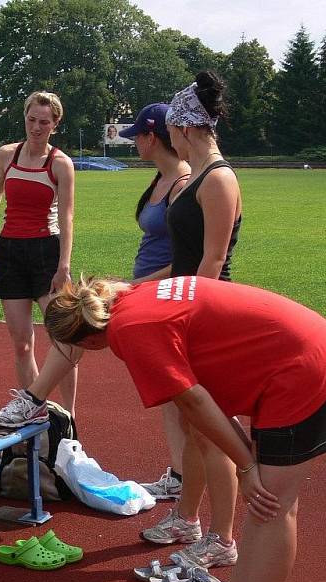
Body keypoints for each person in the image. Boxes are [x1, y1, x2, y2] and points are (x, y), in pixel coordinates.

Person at [38, 275, 326, 582]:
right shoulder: (131, 298)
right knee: (266, 503)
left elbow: (195, 401)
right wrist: (247, 461)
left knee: (272, 506)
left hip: (302, 368)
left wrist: (246, 467)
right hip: (300, 351)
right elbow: (201, 410)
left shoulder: (129, 330)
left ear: (87, 341)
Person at [133, 71, 245, 569]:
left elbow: (212, 263)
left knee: (212, 431)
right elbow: (184, 258)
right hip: (184, 306)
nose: (168, 135)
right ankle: (188, 517)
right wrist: (137, 286)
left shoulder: (218, 179)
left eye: (172, 127)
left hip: (205, 316)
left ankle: (221, 538)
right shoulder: (195, 179)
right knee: (194, 427)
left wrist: (187, 318)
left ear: (186, 128)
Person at [0, 90, 78, 420]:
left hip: (46, 251)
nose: (36, 127)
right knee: (22, 343)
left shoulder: (60, 164)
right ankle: (37, 413)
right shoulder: (7, 155)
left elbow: (67, 216)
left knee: (63, 339)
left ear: (55, 124)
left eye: (44, 122)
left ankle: (69, 416)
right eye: (31, 120)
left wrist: (63, 265)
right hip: (10, 252)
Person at [119, 103, 191, 500]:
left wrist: (137, 286)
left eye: (137, 137)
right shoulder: (161, 178)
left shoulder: (182, 184)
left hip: (163, 294)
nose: (134, 144)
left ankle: (190, 478)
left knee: (184, 392)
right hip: (149, 290)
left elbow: (185, 258)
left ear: (152, 137)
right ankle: (180, 475)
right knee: (172, 393)